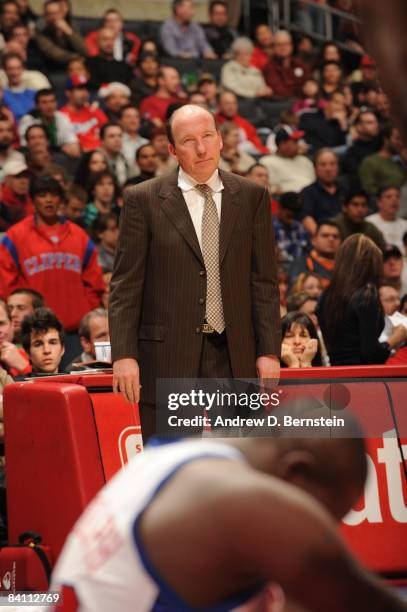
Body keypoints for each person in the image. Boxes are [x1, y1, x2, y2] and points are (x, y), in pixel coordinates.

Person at [50, 433, 407, 612]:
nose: (321, 529)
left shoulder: (182, 452)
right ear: (297, 472)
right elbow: (365, 603)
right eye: (325, 516)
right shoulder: (241, 499)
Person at [109, 104, 281, 439]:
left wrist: (269, 350)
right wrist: (124, 355)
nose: (201, 149)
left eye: (207, 137)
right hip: (168, 353)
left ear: (220, 139)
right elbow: (125, 286)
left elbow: (264, 282)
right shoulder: (142, 200)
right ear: (172, 150)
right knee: (172, 464)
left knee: (238, 465)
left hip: (235, 352)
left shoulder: (252, 196)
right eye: (188, 141)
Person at [0, 176, 105, 346]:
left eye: (54, 195)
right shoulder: (15, 237)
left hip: (76, 333)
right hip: (35, 332)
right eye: (42, 195)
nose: (48, 200)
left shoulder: (79, 236)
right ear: (33, 200)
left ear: (61, 200)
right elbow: (6, 285)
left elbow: (94, 282)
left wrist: (84, 311)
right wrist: (22, 313)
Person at [317, 234, 407, 365]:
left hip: (335, 374)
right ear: (372, 264)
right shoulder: (367, 295)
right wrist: (396, 338)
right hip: (362, 377)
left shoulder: (326, 295)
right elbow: (371, 356)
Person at [18, 88, 80, 158]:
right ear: (37, 106)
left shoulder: (62, 117)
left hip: (56, 155)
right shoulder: (28, 120)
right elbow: (25, 146)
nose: (49, 106)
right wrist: (60, 148)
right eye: (44, 102)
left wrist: (72, 147)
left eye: (52, 101)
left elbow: (73, 144)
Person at [301, 148, 347, 235]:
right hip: (322, 238)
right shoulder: (308, 192)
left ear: (338, 167)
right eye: (323, 164)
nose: (328, 169)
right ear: (315, 168)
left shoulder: (346, 190)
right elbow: (307, 219)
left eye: (332, 164)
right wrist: (322, 238)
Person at [260, 127, 315, 194]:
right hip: (288, 199)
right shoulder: (267, 162)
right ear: (282, 144)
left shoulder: (304, 160)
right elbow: (270, 188)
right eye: (295, 141)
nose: (298, 144)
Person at [34, 0, 86, 71]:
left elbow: (83, 50)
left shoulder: (72, 25)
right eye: (50, 14)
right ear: (45, 16)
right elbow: (53, 53)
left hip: (77, 65)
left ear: (62, 13)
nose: (53, 17)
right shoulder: (41, 30)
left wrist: (69, 32)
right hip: (52, 67)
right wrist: (76, 57)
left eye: (56, 13)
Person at [60, 74, 107, 152]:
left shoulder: (95, 111)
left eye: (86, 89)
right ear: (68, 92)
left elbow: (108, 132)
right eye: (80, 89)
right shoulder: (62, 116)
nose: (85, 93)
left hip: (101, 154)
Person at [289, 222, 341, 287]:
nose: (331, 239)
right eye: (325, 235)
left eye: (335, 237)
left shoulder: (346, 266)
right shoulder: (300, 263)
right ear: (314, 240)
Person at [359, 126, 406, 197]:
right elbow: (369, 189)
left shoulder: (401, 160)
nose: (400, 143)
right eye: (397, 139)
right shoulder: (370, 162)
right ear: (386, 140)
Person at [263, 30, 310, 99]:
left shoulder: (299, 64)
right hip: (285, 104)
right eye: (279, 45)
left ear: (291, 46)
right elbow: (280, 91)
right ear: (273, 48)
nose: (283, 48)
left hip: (304, 103)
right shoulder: (270, 67)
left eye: (286, 44)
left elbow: (309, 82)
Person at [21, 307, 65, 374]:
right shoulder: (14, 384)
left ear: (62, 349)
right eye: (38, 344)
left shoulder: (76, 383)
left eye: (53, 343)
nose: (47, 350)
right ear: (28, 353)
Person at [272, 191, 309, 267]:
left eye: (297, 210)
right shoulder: (269, 227)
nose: (293, 214)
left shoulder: (299, 227)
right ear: (280, 208)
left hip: (299, 268)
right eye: (290, 210)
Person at [366, 186, 407, 250]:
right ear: (379, 202)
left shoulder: (405, 225)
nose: (394, 199)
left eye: (397, 196)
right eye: (388, 196)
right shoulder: (369, 223)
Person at [1, 52, 36, 121]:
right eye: (11, 69)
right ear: (5, 70)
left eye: (18, 68)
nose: (15, 72)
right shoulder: (2, 94)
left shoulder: (33, 93)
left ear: (23, 69)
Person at [0, 158, 33, 230]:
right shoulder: (1, 200)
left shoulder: (33, 199)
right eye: (18, 177)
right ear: (7, 179)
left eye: (26, 177)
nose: (23, 182)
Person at [99, 123, 130, 187]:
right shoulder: (93, 159)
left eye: (120, 136)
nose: (117, 140)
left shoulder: (126, 159)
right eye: (111, 136)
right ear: (102, 140)